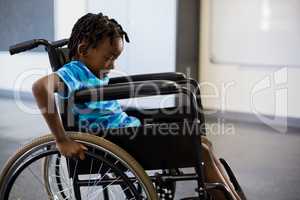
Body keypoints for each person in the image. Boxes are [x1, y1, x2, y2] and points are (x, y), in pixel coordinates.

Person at [32, 13, 141, 160]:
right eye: (108, 58)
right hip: (111, 137)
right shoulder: (75, 71)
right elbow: (40, 87)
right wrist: (61, 139)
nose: (113, 65)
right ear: (83, 50)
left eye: (115, 59)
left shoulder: (94, 71)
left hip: (122, 128)